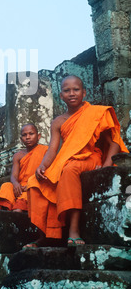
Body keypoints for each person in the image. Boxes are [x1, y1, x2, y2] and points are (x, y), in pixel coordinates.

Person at [25, 75, 129, 248]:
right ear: (61, 95)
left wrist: (104, 168)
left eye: (76, 89)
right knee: (34, 182)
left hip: (90, 157)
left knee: (69, 170)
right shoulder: (58, 122)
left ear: (84, 93)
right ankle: (48, 234)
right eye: (67, 90)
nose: (72, 93)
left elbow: (114, 144)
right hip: (67, 158)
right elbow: (52, 149)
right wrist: (42, 166)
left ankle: (73, 230)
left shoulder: (95, 113)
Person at [0, 124, 48, 212]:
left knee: (27, 194)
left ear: (38, 136)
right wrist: (16, 184)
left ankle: (17, 209)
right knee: (6, 186)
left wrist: (31, 183)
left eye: (31, 134)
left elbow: (47, 173)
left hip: (35, 185)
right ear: (21, 139)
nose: (28, 137)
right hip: (20, 187)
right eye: (24, 135)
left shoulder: (46, 151)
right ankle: (8, 208)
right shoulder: (18, 155)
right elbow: (14, 175)